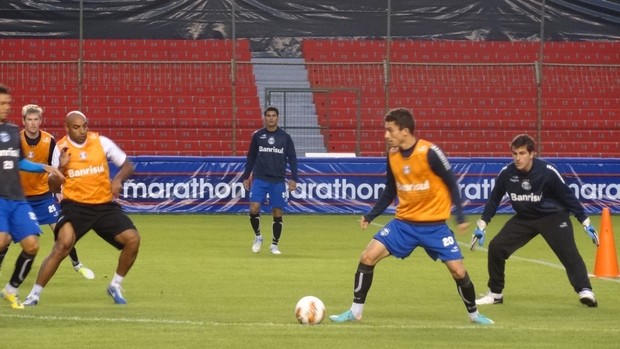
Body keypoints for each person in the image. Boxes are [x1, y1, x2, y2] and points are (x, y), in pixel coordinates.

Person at [329, 108, 494, 325]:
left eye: (390, 130)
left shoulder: (430, 152)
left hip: (434, 227)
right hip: (403, 225)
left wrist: (460, 217)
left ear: (404, 131)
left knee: (458, 271)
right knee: (367, 257)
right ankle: (355, 312)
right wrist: (371, 215)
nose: (386, 135)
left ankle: (474, 315)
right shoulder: (392, 155)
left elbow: (451, 182)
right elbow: (390, 189)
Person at [23, 110, 141, 306]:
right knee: (63, 245)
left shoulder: (101, 142)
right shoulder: (60, 148)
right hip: (75, 206)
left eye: (84, 125)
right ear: (67, 128)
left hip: (104, 205)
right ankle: (34, 295)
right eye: (76, 127)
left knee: (133, 239)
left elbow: (127, 165)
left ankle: (115, 285)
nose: (82, 130)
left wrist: (118, 180)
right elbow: (52, 187)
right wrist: (60, 168)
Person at [472, 134, 600, 307]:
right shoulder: (507, 173)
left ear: (532, 154)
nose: (518, 158)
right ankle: (495, 294)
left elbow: (568, 197)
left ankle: (585, 290)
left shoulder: (547, 171)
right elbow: (494, 200)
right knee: (496, 247)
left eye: (522, 153)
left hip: (552, 217)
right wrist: (482, 225)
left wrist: (585, 222)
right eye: (515, 153)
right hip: (525, 218)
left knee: (568, 253)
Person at [0, 84, 65, 309]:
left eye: (8, 103)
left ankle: (10, 290)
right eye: (2, 104)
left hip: (17, 198)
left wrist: (43, 168)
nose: (6, 107)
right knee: (2, 240)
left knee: (32, 245)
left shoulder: (11, 131)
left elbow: (19, 162)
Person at [19, 104, 95, 280]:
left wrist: (58, 191)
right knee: (7, 236)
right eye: (29, 120)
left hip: (43, 197)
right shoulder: (16, 140)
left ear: (40, 121)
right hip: (21, 198)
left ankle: (77, 264)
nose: (33, 123)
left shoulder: (49, 140)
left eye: (36, 119)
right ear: (23, 121)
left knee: (63, 233)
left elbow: (55, 167)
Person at [240, 106, 298, 255]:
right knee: (253, 208)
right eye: (268, 116)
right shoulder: (258, 136)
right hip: (260, 178)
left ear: (278, 118)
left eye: (273, 115)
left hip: (278, 180)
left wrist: (294, 178)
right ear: (265, 118)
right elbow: (251, 157)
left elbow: (292, 158)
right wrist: (246, 176)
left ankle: (274, 245)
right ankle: (258, 237)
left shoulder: (285, 137)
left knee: (277, 212)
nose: (271, 118)